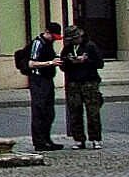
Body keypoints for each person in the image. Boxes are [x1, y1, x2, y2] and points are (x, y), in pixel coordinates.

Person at [61, 25, 105, 148]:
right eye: (72, 39)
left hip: (89, 82)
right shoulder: (68, 48)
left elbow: (100, 63)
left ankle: (95, 138)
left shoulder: (90, 46)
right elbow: (63, 66)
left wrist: (86, 60)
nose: (75, 40)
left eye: (76, 38)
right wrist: (69, 61)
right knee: (75, 112)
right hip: (73, 83)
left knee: (93, 112)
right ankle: (79, 139)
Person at [27, 21, 63, 150]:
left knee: (49, 112)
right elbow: (31, 63)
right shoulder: (38, 43)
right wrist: (50, 63)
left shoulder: (48, 44)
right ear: (47, 32)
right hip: (38, 79)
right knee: (39, 111)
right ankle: (39, 142)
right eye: (53, 36)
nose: (54, 39)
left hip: (48, 79)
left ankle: (47, 139)